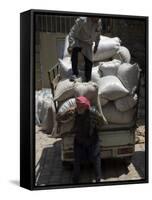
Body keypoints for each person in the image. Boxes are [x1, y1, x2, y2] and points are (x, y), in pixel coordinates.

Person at [57, 96, 106, 183]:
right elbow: (60, 118)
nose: (78, 108)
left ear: (86, 106)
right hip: (79, 140)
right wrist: (65, 113)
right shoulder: (74, 112)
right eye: (78, 106)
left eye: (80, 107)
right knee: (77, 160)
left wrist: (95, 127)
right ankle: (75, 179)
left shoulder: (93, 112)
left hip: (92, 140)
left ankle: (98, 178)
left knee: (96, 159)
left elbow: (102, 122)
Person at [68, 17, 102, 82]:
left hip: (88, 44)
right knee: (74, 50)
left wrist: (96, 45)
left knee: (89, 61)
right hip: (79, 40)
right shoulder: (82, 20)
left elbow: (98, 34)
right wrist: (70, 45)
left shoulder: (98, 22)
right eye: (96, 18)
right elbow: (72, 32)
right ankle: (75, 73)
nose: (97, 19)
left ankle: (88, 79)